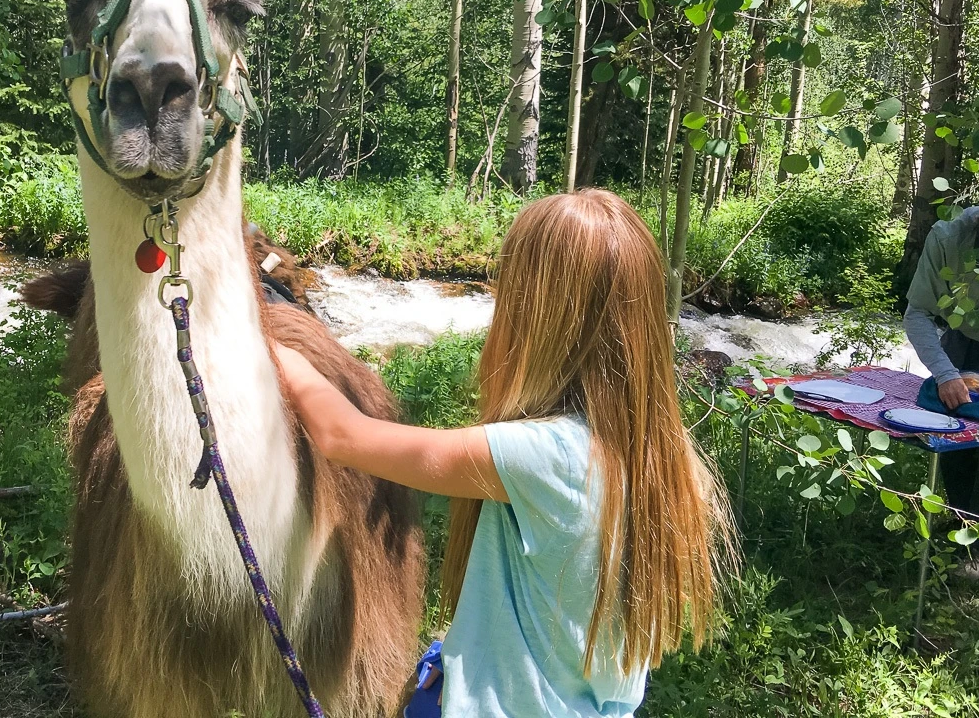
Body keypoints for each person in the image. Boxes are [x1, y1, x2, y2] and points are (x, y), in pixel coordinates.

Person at [275, 190, 731, 718]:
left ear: (537, 315)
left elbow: (342, 435)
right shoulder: (668, 462)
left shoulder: (544, 457)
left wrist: (268, 337)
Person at [903, 204, 979, 580]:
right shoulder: (947, 238)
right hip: (963, 345)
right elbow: (917, 313)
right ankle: (965, 529)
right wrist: (945, 374)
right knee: (958, 438)